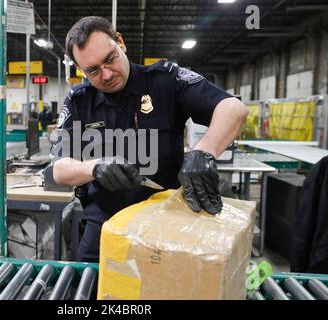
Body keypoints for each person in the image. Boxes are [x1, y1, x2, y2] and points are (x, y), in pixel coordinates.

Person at [53, 16, 249, 262]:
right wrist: (95, 167)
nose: (105, 74)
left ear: (120, 42)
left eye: (109, 59)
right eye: (92, 70)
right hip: (104, 228)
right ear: (80, 70)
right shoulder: (79, 100)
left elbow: (233, 108)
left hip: (165, 226)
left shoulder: (165, 80)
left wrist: (203, 151)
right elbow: (59, 170)